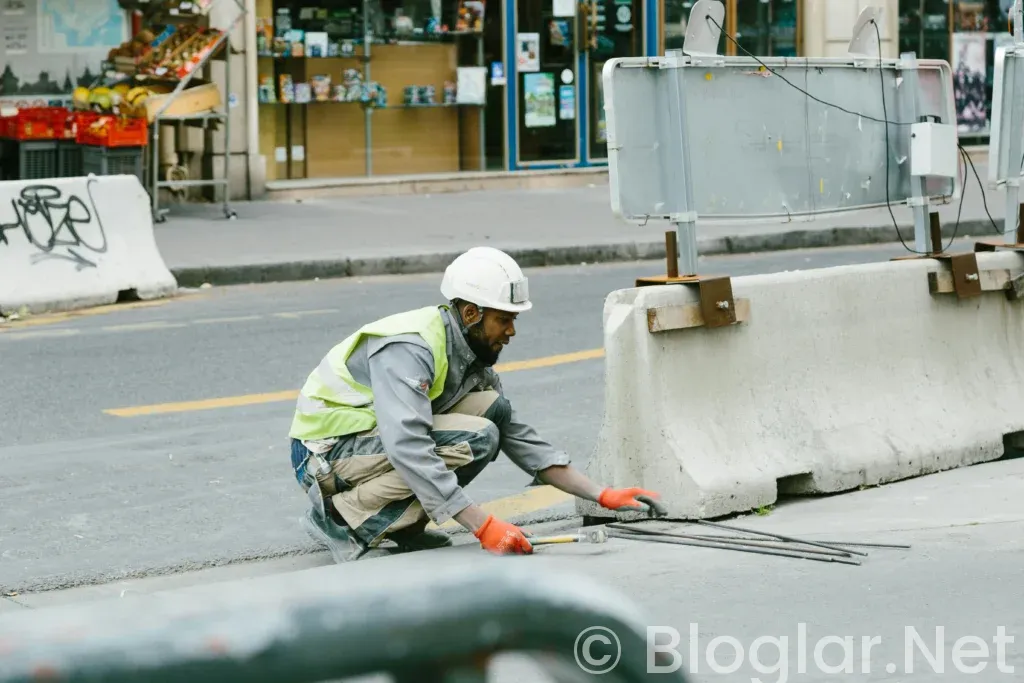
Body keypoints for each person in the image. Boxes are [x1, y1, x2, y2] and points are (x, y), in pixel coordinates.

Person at [288, 246, 662, 562]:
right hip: (324, 455)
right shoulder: (410, 348)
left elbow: (518, 436)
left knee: (492, 411)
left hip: (365, 447)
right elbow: (408, 445)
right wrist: (481, 525)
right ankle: (341, 519)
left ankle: (401, 527)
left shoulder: (468, 352)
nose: (512, 332)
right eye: (504, 320)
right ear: (471, 314)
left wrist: (600, 493)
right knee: (477, 437)